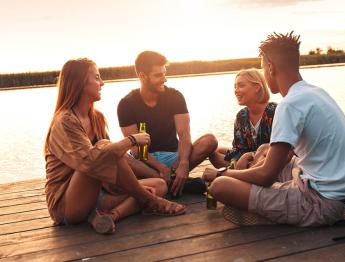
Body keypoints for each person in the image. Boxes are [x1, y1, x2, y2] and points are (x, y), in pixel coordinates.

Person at [202, 32, 345, 227]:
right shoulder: (315, 92)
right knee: (263, 150)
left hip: (320, 203)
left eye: (263, 68)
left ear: (270, 68)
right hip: (338, 194)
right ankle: (268, 200)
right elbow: (279, 158)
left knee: (220, 186)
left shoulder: (289, 104)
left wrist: (222, 173)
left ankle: (267, 214)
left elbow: (266, 175)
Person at [44, 58, 186, 234]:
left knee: (159, 185)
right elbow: (91, 161)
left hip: (98, 194)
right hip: (67, 205)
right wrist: (132, 140)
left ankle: (111, 215)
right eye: (97, 77)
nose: (102, 83)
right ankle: (147, 200)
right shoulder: (65, 122)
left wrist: (148, 177)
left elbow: (117, 157)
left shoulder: (96, 118)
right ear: (79, 82)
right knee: (105, 149)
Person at [117, 51, 217, 197]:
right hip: (145, 161)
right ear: (142, 76)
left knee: (210, 141)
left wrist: (183, 163)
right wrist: (160, 167)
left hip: (174, 157)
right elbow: (137, 151)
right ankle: (175, 182)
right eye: (158, 75)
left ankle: (165, 182)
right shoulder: (126, 104)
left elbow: (184, 134)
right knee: (119, 158)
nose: (164, 79)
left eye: (164, 73)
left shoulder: (175, 96)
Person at [209, 68, 277, 169]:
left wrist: (250, 156)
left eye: (241, 86)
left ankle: (236, 171)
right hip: (247, 161)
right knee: (214, 152)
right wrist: (235, 159)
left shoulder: (275, 112)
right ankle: (238, 169)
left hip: (270, 163)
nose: (236, 91)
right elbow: (238, 148)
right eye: (235, 87)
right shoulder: (241, 116)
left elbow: (279, 150)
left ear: (257, 88)